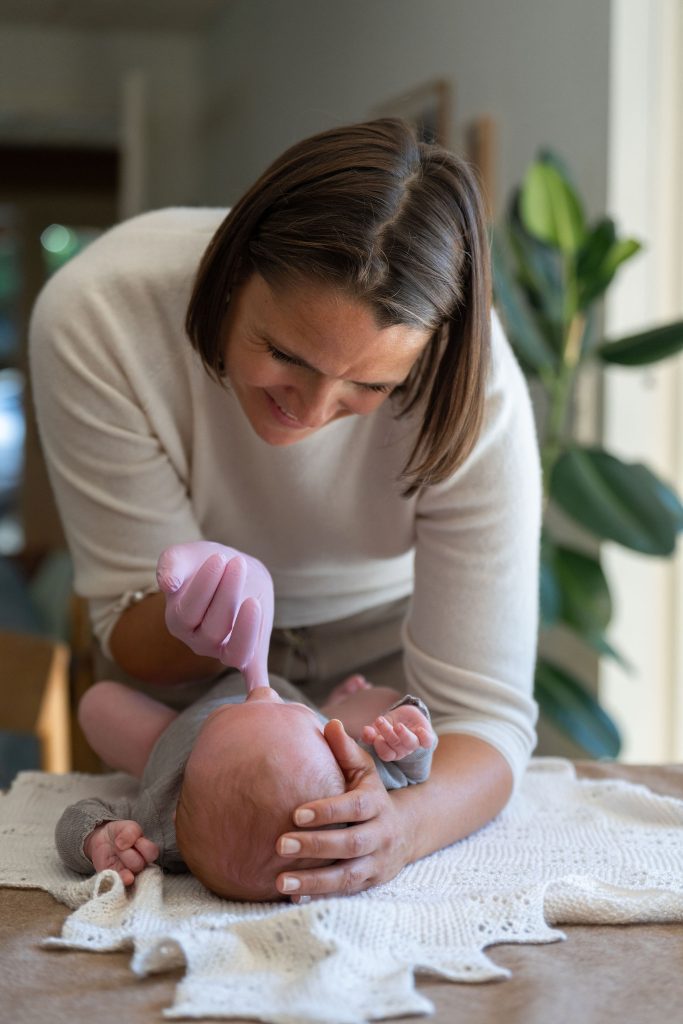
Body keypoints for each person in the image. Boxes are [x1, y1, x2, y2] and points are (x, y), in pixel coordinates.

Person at [30, 117, 542, 901]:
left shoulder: (472, 392)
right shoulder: (101, 313)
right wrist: (186, 623)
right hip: (184, 696)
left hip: (378, 663)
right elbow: (123, 626)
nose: (309, 410)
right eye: (284, 355)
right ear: (231, 273)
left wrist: (399, 829)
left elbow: (484, 716)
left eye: (371, 386)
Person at [55, 673, 437, 901]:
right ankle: (326, 709)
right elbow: (406, 773)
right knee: (384, 701)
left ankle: (316, 708)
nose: (261, 689)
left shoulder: (157, 826)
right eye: (282, 706)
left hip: (172, 732)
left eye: (227, 715)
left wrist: (98, 839)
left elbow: (76, 817)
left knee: (98, 704)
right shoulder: (349, 783)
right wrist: (407, 739)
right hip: (316, 713)